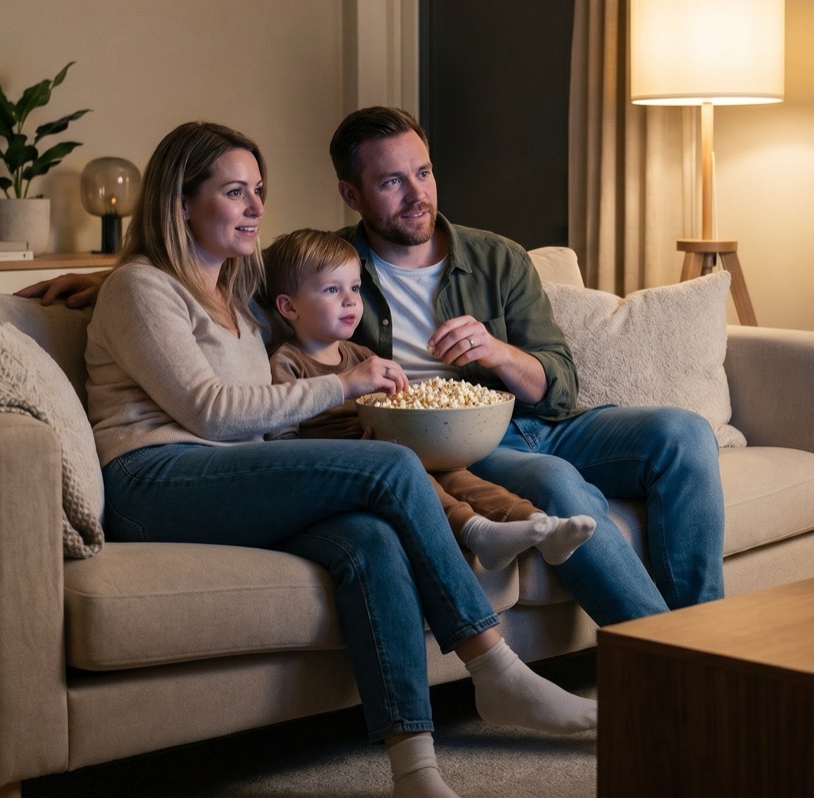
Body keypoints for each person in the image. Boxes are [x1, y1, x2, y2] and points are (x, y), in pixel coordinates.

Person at [21, 107, 726, 626]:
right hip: (457, 442)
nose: (417, 193)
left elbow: (559, 385)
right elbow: (198, 270)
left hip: (535, 415)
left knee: (683, 434)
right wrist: (99, 279)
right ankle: (662, 661)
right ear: (352, 196)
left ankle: (711, 639)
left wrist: (497, 351)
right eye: (392, 182)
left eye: (422, 172)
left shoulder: (497, 257)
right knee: (554, 481)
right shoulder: (317, 267)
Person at [84, 122, 595, 798]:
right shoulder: (143, 288)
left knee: (370, 539)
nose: (256, 207)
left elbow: (302, 287)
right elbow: (209, 409)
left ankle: (415, 771)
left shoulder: (238, 292)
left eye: (258, 191)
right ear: (180, 202)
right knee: (391, 466)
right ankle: (496, 667)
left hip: (230, 478)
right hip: (154, 479)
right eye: (234, 192)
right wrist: (343, 383)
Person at [260, 227, 596, 572]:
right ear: (288, 307)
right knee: (420, 479)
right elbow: (282, 442)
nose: (350, 300)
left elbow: (391, 407)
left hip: (389, 450)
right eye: (332, 290)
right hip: (345, 466)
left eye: (355, 288)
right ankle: (477, 531)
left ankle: (539, 525)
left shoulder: (362, 356)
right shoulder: (286, 362)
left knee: (457, 474)